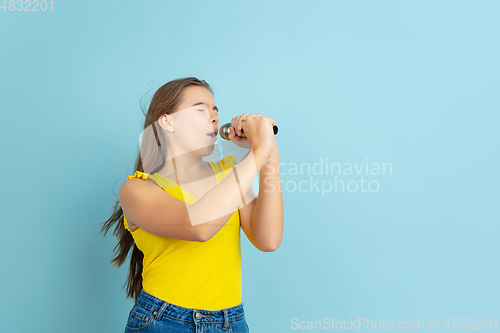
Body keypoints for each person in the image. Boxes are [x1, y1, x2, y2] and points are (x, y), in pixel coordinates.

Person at [101, 77, 284, 332]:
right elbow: (200, 228)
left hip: (230, 323)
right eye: (200, 109)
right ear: (167, 121)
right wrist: (258, 151)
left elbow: (269, 239)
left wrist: (269, 153)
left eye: (215, 111)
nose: (213, 118)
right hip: (164, 321)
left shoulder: (229, 174)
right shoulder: (137, 189)